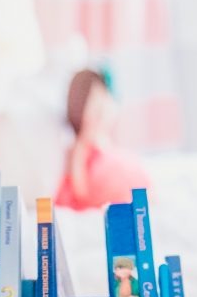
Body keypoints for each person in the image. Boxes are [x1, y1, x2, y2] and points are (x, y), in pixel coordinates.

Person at [55, 69, 149, 210]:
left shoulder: (105, 145)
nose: (101, 109)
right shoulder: (81, 146)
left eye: (103, 100)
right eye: (94, 104)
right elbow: (81, 194)